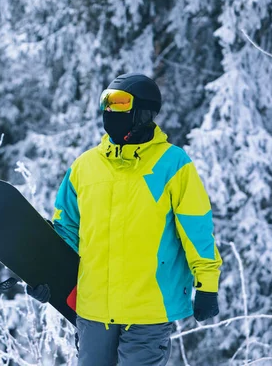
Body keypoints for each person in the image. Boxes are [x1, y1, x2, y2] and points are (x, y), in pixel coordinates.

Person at [27, 73, 222, 366]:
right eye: (106, 102)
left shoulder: (173, 165)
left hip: (148, 310)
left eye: (119, 103)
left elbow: (197, 229)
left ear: (144, 112)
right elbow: (66, 230)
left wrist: (207, 284)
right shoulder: (85, 167)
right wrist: (46, 274)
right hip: (93, 311)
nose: (110, 111)